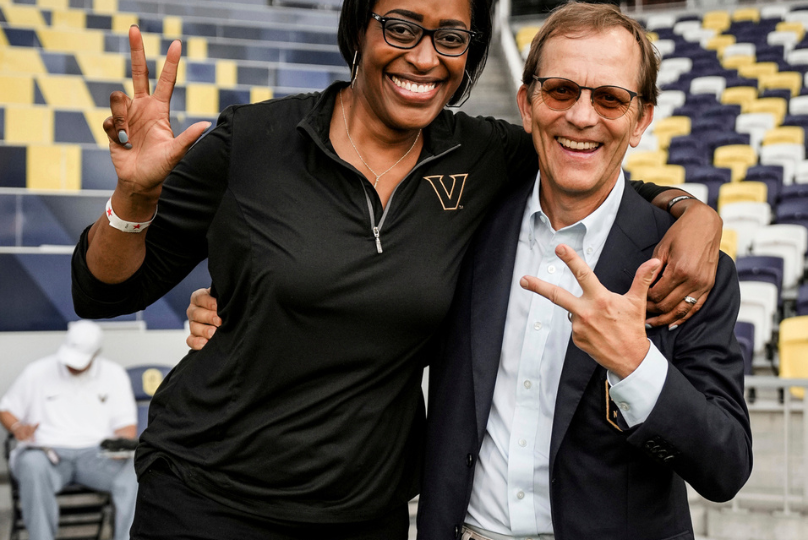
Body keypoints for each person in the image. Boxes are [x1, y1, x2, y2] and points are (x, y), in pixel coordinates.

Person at [72, 0, 722, 537]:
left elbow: (592, 162)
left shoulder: (482, 156)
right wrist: (134, 197)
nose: (423, 55)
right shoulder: (252, 142)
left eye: (450, 36)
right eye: (401, 26)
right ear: (359, 27)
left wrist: (696, 215)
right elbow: (104, 290)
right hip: (207, 497)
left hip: (365, 514)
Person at [415, 4, 753, 540]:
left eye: (611, 98)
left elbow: (726, 466)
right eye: (560, 90)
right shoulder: (464, 230)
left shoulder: (686, 267)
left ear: (641, 120)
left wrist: (636, 365)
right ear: (526, 104)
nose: (581, 116)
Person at [0, 320, 138, 540]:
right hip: (48, 454)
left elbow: (126, 427)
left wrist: (121, 444)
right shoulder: (37, 371)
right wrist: (18, 428)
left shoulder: (114, 375)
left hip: (96, 456)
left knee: (136, 468)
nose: (72, 365)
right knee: (31, 464)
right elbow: (6, 409)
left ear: (96, 354)